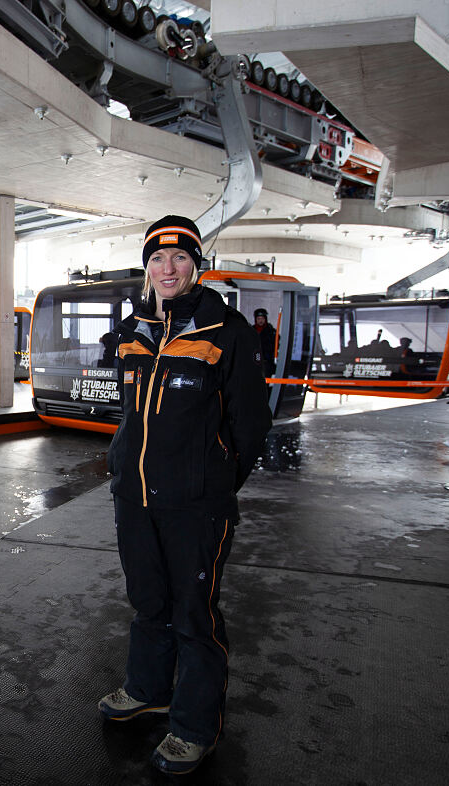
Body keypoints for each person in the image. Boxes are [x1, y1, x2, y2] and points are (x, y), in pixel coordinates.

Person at [99, 215, 272, 775]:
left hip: (195, 506)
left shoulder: (226, 331)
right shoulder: (133, 332)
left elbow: (250, 425)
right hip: (136, 498)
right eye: (156, 259)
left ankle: (194, 726)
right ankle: (148, 689)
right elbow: (132, 417)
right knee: (149, 601)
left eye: (178, 259)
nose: (166, 268)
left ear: (195, 265)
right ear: (147, 267)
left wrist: (214, 481)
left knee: (194, 615)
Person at [252, 308, 277, 379]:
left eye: (262, 318)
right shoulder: (251, 331)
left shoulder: (271, 332)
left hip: (267, 362)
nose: (260, 321)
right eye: (258, 318)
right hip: (254, 362)